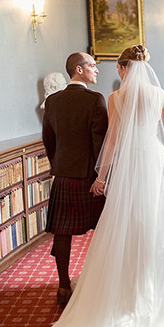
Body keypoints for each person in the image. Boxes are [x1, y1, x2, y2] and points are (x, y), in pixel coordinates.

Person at [41, 45, 164, 327]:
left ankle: (120, 285)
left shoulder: (114, 98)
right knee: (155, 221)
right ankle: (155, 285)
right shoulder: (157, 93)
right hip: (155, 159)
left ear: (123, 68)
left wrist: (102, 176)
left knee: (124, 223)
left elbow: (112, 140)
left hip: (128, 164)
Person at [42, 52, 108, 307]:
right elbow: (100, 143)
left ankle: (62, 286)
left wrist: (58, 164)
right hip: (91, 180)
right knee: (104, 229)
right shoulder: (95, 100)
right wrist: (101, 177)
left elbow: (49, 140)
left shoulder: (53, 101)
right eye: (92, 65)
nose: (96, 70)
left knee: (62, 233)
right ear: (79, 70)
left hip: (64, 177)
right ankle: (103, 281)